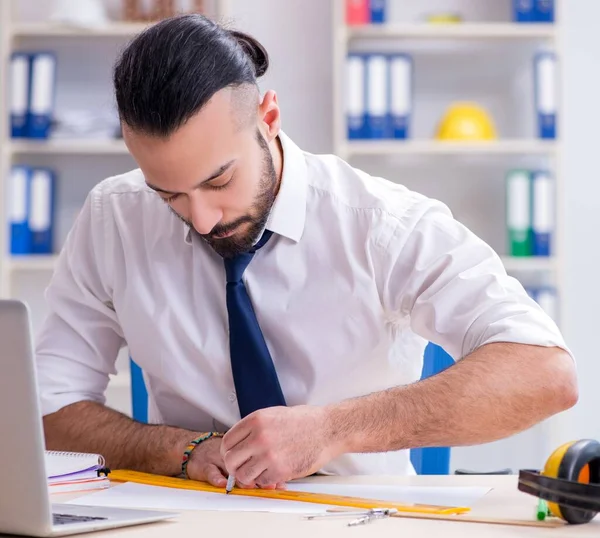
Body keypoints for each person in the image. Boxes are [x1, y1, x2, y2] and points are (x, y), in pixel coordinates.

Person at [37, 13, 577, 490]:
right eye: (170, 195)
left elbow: (545, 373)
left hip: (360, 519)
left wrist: (330, 431)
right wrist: (182, 450)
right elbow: (47, 411)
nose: (201, 218)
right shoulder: (115, 216)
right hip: (188, 514)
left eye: (219, 180)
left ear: (268, 119)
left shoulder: (382, 224)